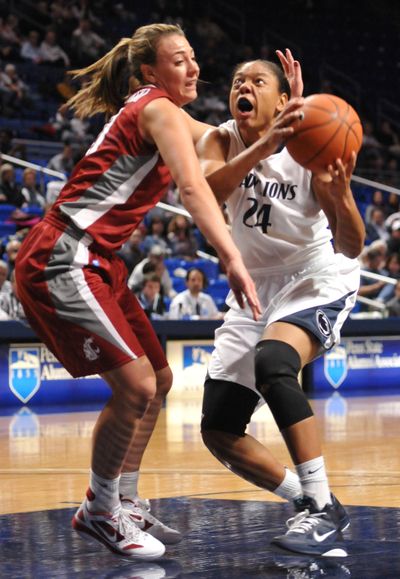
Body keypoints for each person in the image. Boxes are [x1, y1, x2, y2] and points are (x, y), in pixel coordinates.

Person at [15, 23, 260, 561]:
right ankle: (99, 510)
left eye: (194, 57)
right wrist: (233, 258)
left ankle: (122, 498)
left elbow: (219, 140)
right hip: (64, 254)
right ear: (151, 72)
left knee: (160, 379)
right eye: (180, 60)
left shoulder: (165, 111)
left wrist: (278, 120)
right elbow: (195, 186)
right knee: (136, 388)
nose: (193, 67)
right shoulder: (156, 109)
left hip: (98, 260)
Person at [195, 50, 365, 557]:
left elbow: (352, 244)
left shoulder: (312, 147)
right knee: (220, 429)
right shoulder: (219, 138)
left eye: (257, 81)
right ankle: (315, 503)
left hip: (314, 276)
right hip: (254, 287)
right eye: (237, 81)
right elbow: (208, 188)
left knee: (275, 362)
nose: (242, 87)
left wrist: (342, 194)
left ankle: (320, 510)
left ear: (284, 99)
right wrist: (266, 144)